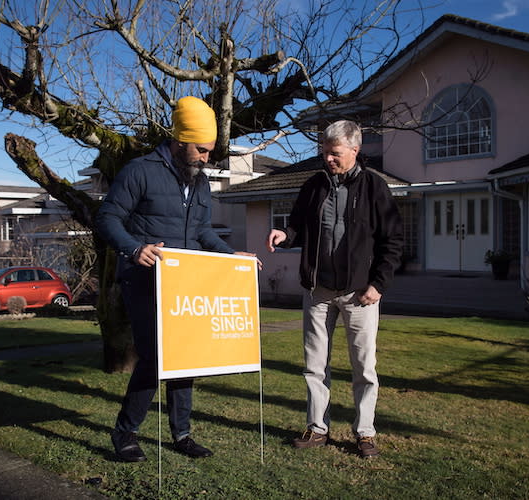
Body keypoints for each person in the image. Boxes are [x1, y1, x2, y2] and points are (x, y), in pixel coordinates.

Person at [97, 96, 254, 462]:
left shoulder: (200, 184)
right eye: (201, 150)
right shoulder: (140, 171)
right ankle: (125, 434)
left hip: (185, 284)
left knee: (187, 358)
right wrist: (135, 249)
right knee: (153, 356)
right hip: (142, 279)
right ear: (180, 141)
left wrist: (233, 256)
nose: (206, 158)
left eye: (211, 152)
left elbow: (202, 232)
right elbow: (107, 218)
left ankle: (181, 434)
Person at [265, 120, 403, 459]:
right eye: (324, 152)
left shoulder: (374, 187)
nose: (328, 158)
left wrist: (378, 284)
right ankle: (317, 428)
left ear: (355, 151)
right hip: (318, 290)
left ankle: (365, 432)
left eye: (335, 153)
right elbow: (297, 223)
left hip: (360, 295)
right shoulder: (313, 185)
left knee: (363, 368)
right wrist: (286, 235)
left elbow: (393, 240)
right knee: (314, 365)